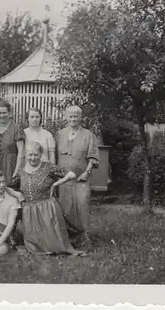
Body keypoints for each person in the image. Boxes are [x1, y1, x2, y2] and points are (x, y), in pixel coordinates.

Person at [8, 141, 85, 256]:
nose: (33, 158)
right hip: (29, 211)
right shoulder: (21, 171)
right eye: (30, 155)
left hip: (47, 209)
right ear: (26, 155)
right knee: (33, 242)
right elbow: (7, 187)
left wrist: (56, 184)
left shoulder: (48, 167)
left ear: (41, 155)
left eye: (36, 155)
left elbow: (71, 175)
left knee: (53, 244)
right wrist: (18, 195)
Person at [55, 106, 100, 249]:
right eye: (70, 116)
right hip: (63, 180)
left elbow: (93, 156)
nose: (73, 119)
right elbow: (53, 156)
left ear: (81, 118)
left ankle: (84, 239)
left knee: (82, 206)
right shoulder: (59, 134)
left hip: (81, 179)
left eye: (76, 116)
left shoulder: (88, 135)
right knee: (65, 208)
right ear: (66, 117)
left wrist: (87, 172)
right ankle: (67, 239)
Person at [0, 100, 25, 184]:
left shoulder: (16, 128)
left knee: (10, 190)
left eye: (4, 113)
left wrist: (16, 172)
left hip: (11, 166)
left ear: (10, 114)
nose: (2, 115)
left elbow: (21, 152)